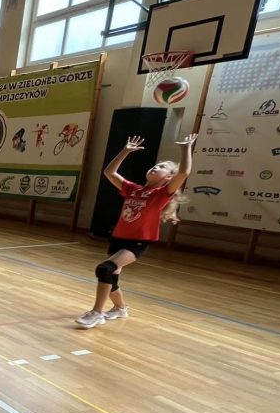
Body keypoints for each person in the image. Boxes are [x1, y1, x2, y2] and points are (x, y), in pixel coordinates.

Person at [75, 133, 197, 329]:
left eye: (162, 167)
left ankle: (96, 313)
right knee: (111, 278)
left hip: (137, 242)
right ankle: (120, 308)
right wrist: (125, 151)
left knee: (104, 269)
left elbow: (183, 173)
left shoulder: (161, 193)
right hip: (119, 238)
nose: (156, 167)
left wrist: (186, 148)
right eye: (155, 165)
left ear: (168, 178)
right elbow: (109, 172)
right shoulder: (133, 189)